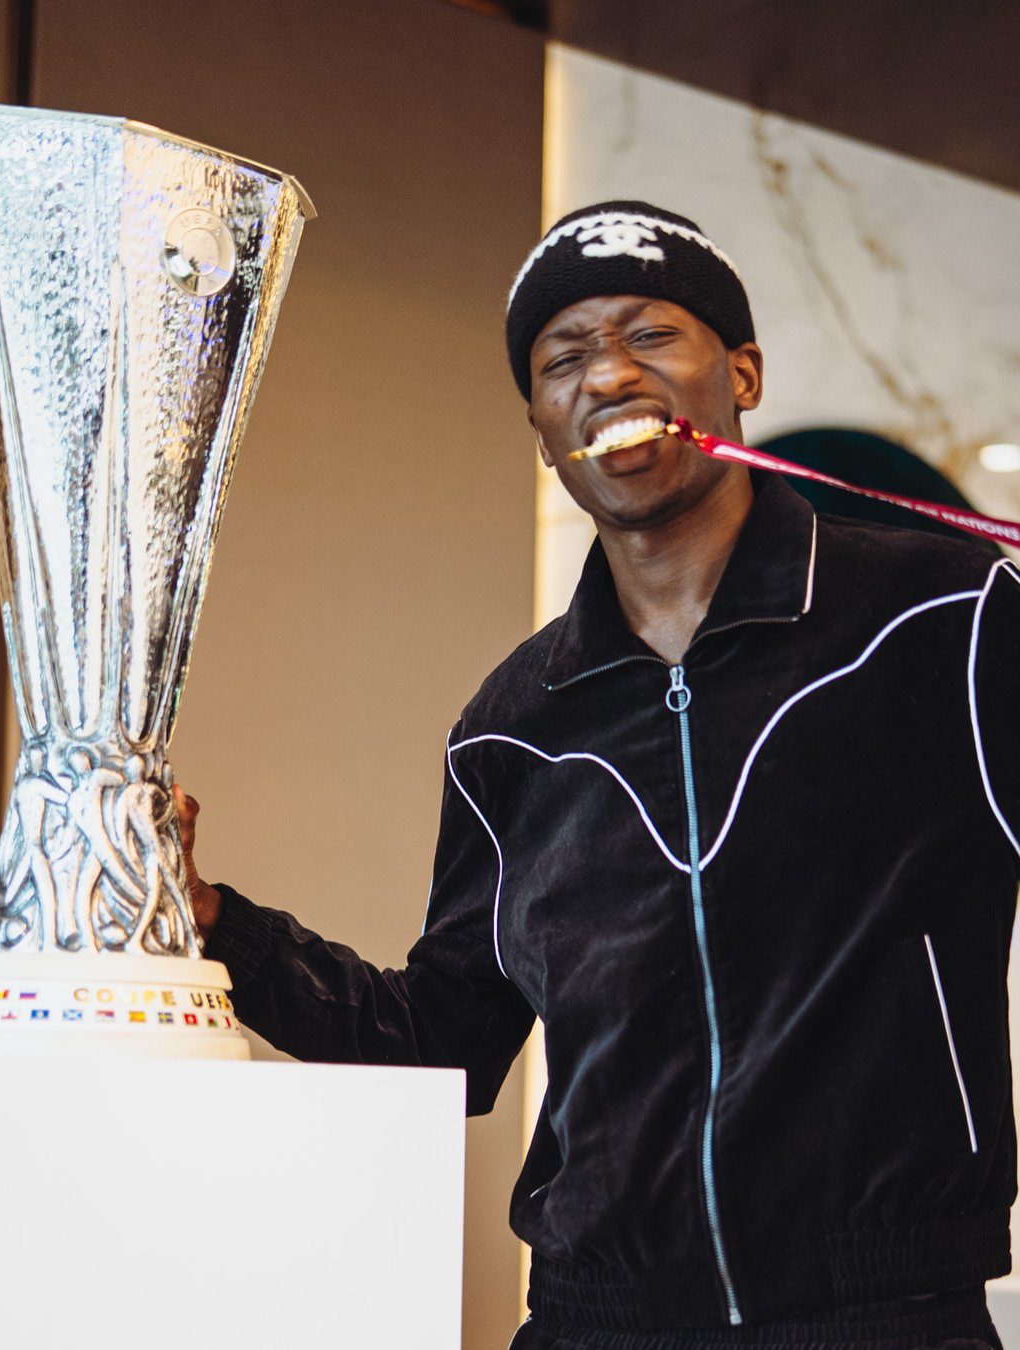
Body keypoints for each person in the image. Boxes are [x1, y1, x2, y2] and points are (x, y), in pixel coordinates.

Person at [177, 202, 1020, 1350]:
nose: (607, 376)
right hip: (594, 1324)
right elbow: (443, 1041)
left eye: (650, 337)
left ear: (742, 373)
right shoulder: (510, 730)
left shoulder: (947, 620)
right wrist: (217, 921)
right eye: (563, 358)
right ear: (540, 423)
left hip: (885, 1314)